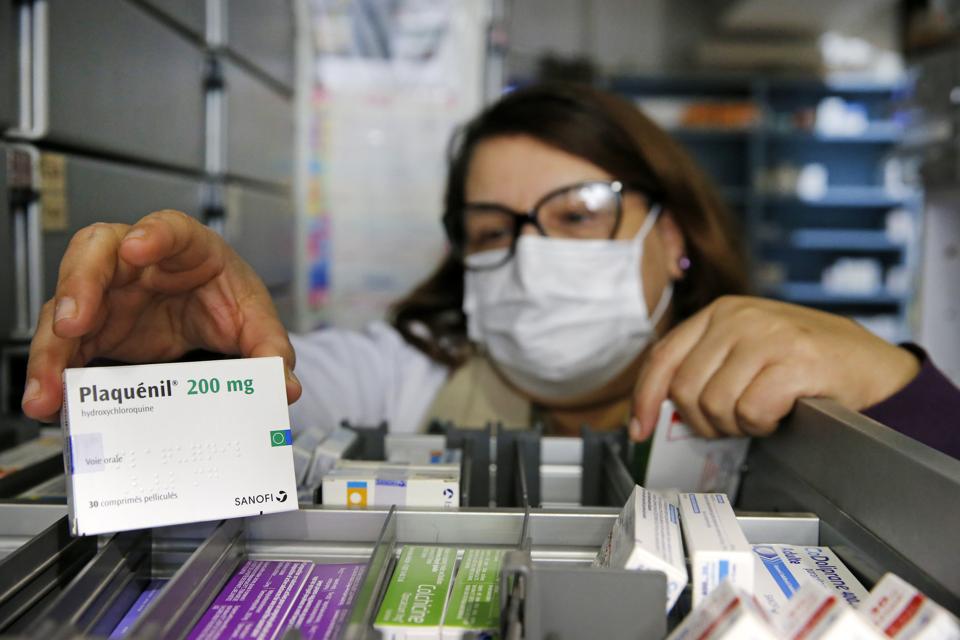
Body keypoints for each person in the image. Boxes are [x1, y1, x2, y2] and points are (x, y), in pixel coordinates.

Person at [19, 83, 960, 457]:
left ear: (673, 237)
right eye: (490, 229)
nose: (531, 253)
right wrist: (167, 369)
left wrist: (897, 386)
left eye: (578, 215)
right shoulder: (404, 373)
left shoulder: (778, 384)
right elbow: (269, 401)